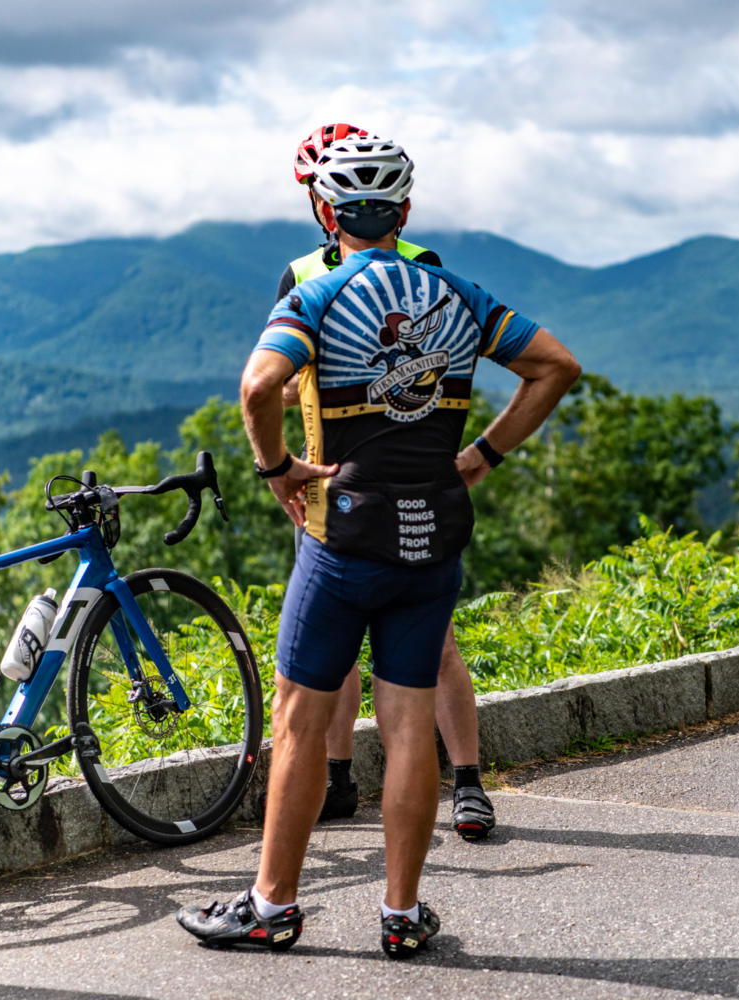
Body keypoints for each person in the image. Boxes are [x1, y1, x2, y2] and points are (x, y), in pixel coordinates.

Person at [178, 135, 579, 957]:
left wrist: (278, 468)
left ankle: (272, 906)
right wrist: (483, 454)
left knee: (298, 721)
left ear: (327, 213)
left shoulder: (318, 292)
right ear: (405, 211)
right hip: (433, 540)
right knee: (406, 725)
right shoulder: (458, 292)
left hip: (343, 539)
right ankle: (401, 915)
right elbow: (555, 366)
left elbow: (258, 387)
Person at [277, 123, 497, 840]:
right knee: (330, 654)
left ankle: (467, 778)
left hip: (406, 476)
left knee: (437, 646)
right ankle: (337, 779)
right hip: (326, 481)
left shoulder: (423, 267)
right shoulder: (302, 274)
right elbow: (279, 382)